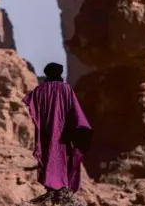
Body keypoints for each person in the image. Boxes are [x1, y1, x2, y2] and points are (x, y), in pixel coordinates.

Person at [22, 62, 92, 199]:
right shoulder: (66, 89)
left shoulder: (39, 90)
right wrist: (78, 129)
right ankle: (61, 188)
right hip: (63, 134)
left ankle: (51, 188)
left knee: (48, 156)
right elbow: (75, 112)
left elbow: (29, 104)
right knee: (63, 157)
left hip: (45, 133)